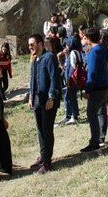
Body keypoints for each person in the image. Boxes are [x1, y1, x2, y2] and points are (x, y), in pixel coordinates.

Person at [28, 34, 62, 174]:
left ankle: (47, 163)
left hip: (48, 101)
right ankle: (43, 156)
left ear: (41, 44)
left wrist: (51, 98)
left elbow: (55, 79)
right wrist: (30, 97)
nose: (30, 48)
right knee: (40, 130)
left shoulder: (49, 57)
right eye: (29, 45)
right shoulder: (35, 59)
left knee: (47, 130)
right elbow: (32, 80)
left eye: (33, 44)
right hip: (37, 100)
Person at [80, 28, 108, 152]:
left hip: (97, 88)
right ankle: (101, 137)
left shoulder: (93, 52)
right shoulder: (103, 48)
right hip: (106, 85)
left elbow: (91, 73)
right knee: (101, 111)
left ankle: (94, 142)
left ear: (88, 38)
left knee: (91, 114)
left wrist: (87, 90)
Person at [60, 33, 82, 125]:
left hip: (72, 80)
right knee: (68, 97)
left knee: (71, 97)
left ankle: (74, 116)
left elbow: (72, 67)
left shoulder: (73, 53)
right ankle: (68, 115)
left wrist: (68, 79)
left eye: (67, 45)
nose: (66, 46)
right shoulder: (73, 52)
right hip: (71, 80)